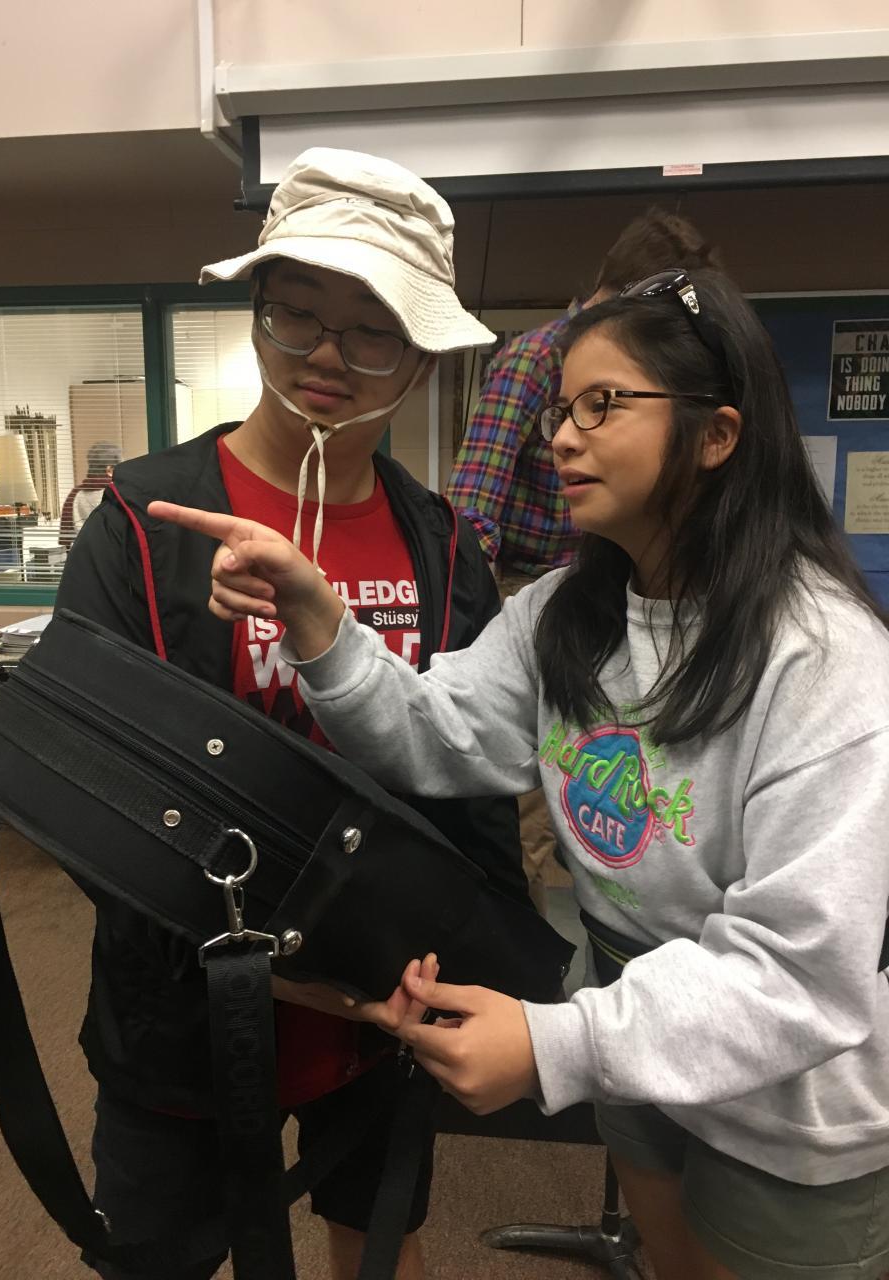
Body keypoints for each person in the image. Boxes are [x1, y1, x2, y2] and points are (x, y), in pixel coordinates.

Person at [155, 267, 889, 1280]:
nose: (561, 439)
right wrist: (317, 613)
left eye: (603, 405)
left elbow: (802, 969)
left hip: (788, 1094)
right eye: (560, 409)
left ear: (717, 435)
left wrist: (557, 1044)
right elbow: (433, 731)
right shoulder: (562, 613)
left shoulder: (823, 656)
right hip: (639, 1037)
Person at [55, 147, 526, 1280]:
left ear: (420, 355)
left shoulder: (441, 545)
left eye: (372, 333)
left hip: (385, 1014)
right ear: (258, 310)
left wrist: (472, 963)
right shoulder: (145, 522)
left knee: (381, 1249)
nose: (326, 355)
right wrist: (268, 965)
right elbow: (87, 792)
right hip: (183, 1012)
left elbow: (471, 782)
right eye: (298, 313)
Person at [446, 208, 722, 914]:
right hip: (530, 592)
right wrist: (489, 618)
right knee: (530, 825)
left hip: (607, 589)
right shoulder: (536, 359)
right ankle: (528, 953)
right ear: (617, 293)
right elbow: (472, 506)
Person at [59, 440, 122, 547]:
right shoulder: (118, 492)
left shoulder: (75, 494)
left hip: (83, 551)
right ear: (110, 469)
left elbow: (65, 538)